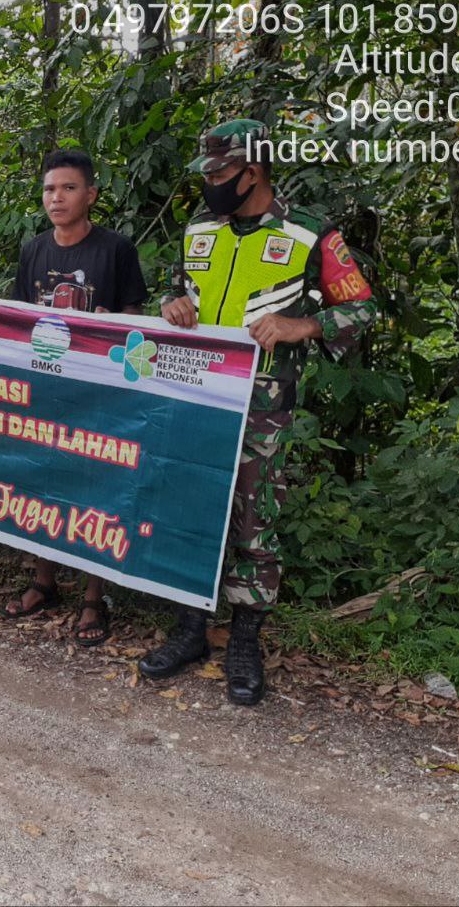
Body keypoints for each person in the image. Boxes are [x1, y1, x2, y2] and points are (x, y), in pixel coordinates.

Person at [139, 118, 377, 704]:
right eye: (207, 173)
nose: (210, 184)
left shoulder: (309, 233)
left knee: (255, 521)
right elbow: (177, 286)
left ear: (253, 172)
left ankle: (244, 640)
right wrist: (170, 301)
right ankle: (190, 628)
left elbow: (363, 309)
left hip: (262, 404)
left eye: (219, 173)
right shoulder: (200, 228)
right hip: (195, 395)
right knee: (191, 509)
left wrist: (304, 325)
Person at [5, 149, 148, 646]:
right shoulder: (34, 250)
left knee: (94, 485)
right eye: (49, 189)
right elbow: (21, 317)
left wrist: (112, 323)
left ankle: (93, 595)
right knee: (42, 478)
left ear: (90, 194)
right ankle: (44, 580)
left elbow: (136, 323)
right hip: (45, 384)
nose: (57, 198)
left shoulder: (116, 249)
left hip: (98, 390)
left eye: (68, 188)